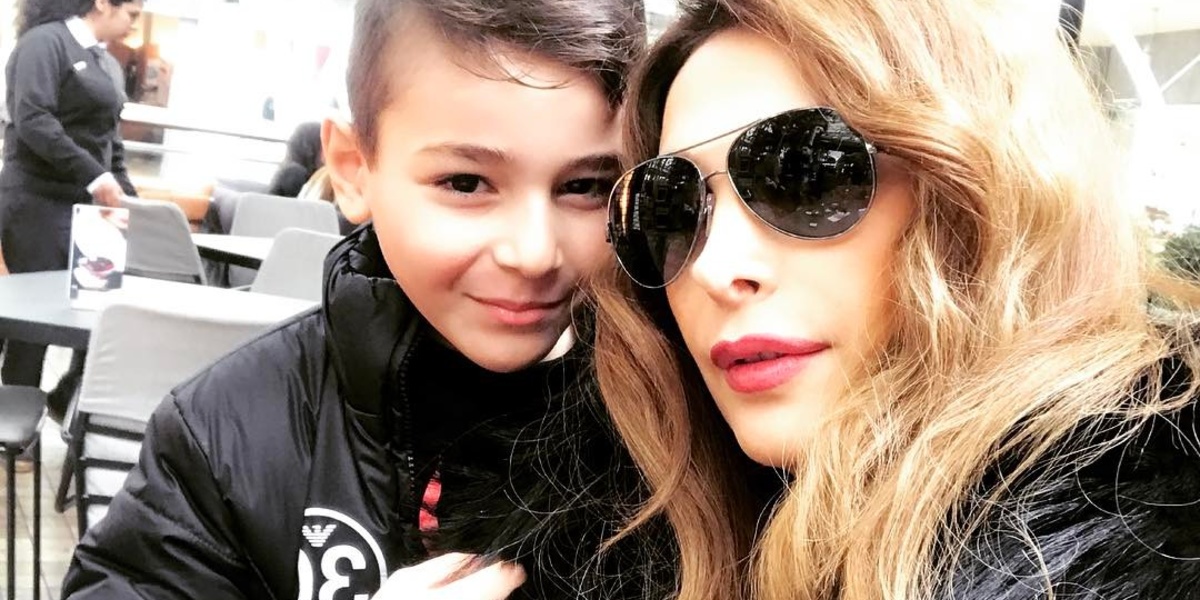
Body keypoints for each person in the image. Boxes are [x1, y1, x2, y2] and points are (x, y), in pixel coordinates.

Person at [591, 0, 1200, 599]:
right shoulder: (650, 527)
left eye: (809, 175)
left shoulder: (1144, 537)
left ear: (986, 196)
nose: (713, 268)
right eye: (667, 206)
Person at [62, 1, 662, 599]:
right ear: (353, 170)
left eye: (586, 187)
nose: (533, 253)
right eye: (465, 183)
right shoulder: (222, 434)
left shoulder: (677, 425)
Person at [0, 0, 141, 418]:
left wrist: (127, 194)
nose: (134, 24)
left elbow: (110, 141)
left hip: (90, 212)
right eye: (131, 14)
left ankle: (67, 401)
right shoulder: (44, 44)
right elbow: (33, 118)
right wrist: (95, 177)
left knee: (98, 313)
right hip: (36, 201)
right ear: (103, 4)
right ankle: (14, 426)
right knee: (31, 326)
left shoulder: (106, 63)